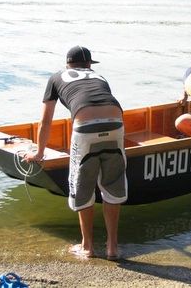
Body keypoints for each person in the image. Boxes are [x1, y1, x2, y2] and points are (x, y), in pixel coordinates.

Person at [25, 46, 127, 260]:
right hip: (116, 121)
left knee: (83, 184)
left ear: (67, 64)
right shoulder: (99, 76)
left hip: (85, 126)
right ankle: (112, 248)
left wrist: (39, 152)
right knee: (111, 184)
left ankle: (87, 247)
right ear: (89, 65)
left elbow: (45, 120)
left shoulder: (55, 78)